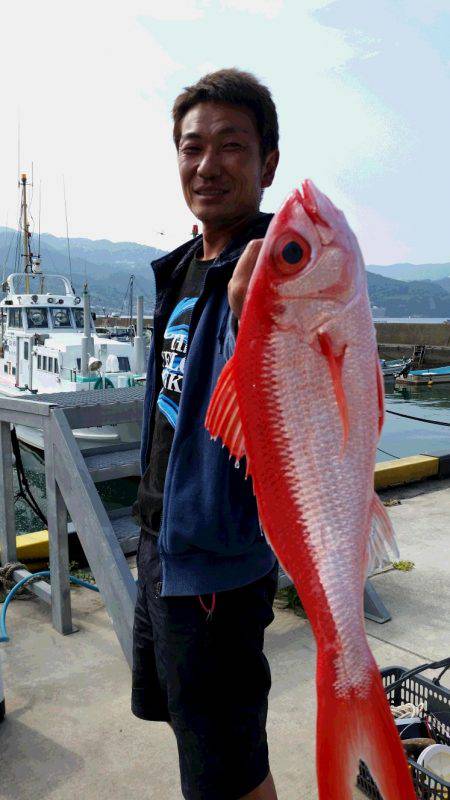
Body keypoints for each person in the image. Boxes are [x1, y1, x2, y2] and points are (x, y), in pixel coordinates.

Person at [132, 68, 280, 800]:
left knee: (230, 771)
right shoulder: (190, 265)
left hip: (217, 567)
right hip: (161, 544)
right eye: (193, 147)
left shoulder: (276, 267)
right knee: (198, 735)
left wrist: (264, 319)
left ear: (267, 165)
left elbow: (294, 405)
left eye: (232, 145)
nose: (207, 165)